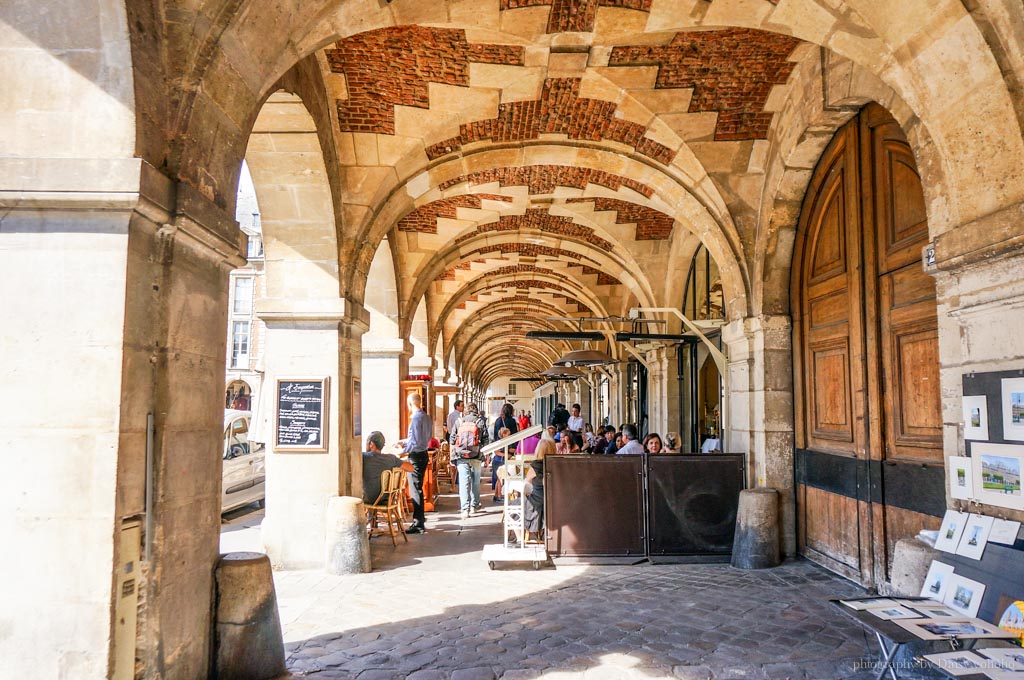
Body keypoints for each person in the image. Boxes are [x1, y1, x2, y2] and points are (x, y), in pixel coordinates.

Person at [398, 392, 432, 534]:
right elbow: (421, 439)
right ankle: (420, 520)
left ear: (410, 403)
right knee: (417, 487)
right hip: (424, 453)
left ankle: (418, 523)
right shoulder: (426, 417)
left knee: (415, 489)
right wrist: (404, 441)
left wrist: (404, 450)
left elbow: (415, 442)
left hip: (416, 456)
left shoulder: (416, 419)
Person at [449, 402, 489, 519]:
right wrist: (486, 457)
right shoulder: (480, 422)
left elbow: (452, 440)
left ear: (465, 410)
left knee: (463, 482)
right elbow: (486, 440)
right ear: (476, 410)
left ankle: (464, 509)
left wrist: (452, 457)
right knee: (476, 481)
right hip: (476, 455)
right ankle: (474, 506)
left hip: (461, 456)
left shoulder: (459, 421)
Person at [362, 431, 413, 505]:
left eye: (367, 442)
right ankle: (372, 514)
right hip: (387, 499)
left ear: (371, 444)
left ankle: (370, 514)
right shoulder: (391, 459)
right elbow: (411, 468)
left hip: (368, 499)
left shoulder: (364, 457)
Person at [523, 438, 554, 543]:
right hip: (553, 500)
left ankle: (519, 539)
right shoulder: (557, 463)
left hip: (536, 500)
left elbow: (527, 480)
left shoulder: (536, 465)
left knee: (513, 505)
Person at [492, 404, 518, 502]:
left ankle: (496, 495)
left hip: (499, 447)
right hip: (507, 450)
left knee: (498, 476)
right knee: (503, 476)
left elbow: (495, 436)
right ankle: (499, 495)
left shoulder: (498, 420)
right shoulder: (512, 421)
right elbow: (515, 435)